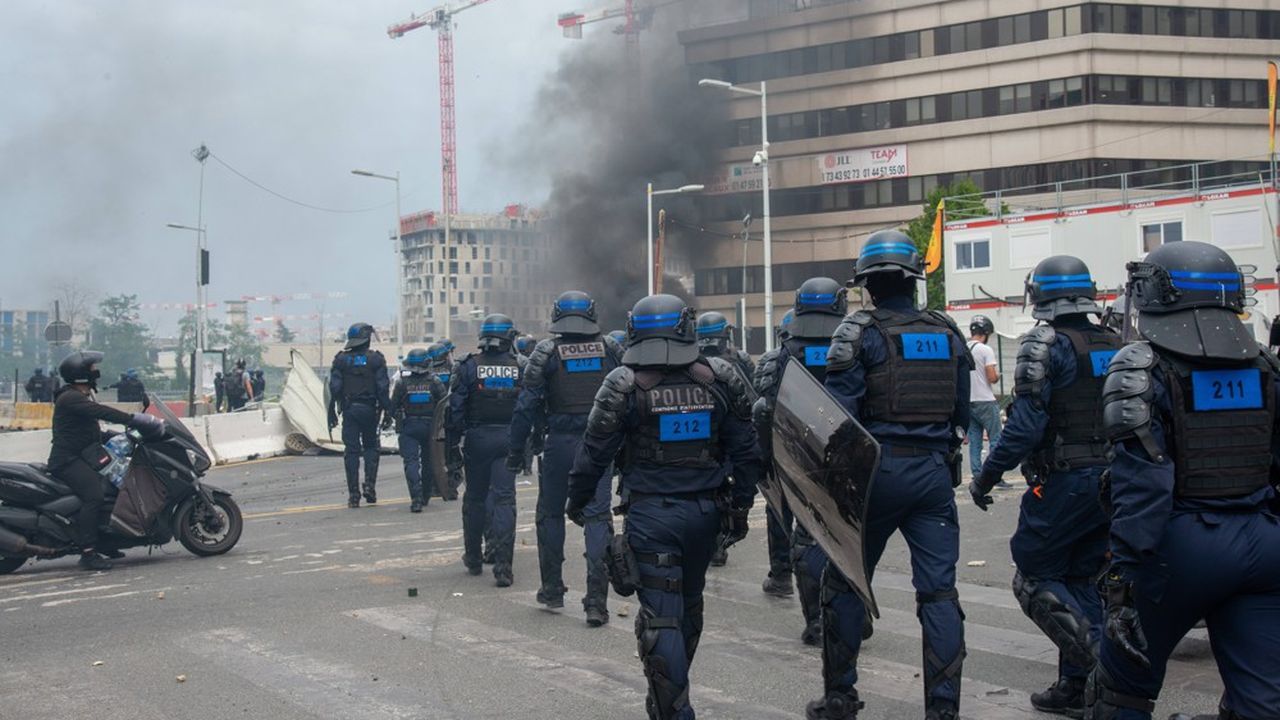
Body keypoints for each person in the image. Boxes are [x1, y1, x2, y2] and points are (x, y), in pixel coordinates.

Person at [1086, 241, 1280, 720]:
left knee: (1119, 690)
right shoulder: (1266, 368)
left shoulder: (1140, 367)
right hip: (1266, 545)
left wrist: (1122, 581)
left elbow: (1143, 487)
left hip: (1180, 548)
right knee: (1262, 702)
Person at [567, 294, 761, 720]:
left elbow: (593, 454)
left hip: (652, 517)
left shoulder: (623, 383)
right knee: (688, 605)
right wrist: (741, 509)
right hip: (706, 515)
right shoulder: (721, 378)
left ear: (636, 331)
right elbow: (749, 452)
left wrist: (577, 502)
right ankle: (669, 698)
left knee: (660, 619)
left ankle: (675, 709)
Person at [815, 230, 970, 720]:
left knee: (846, 582)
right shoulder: (947, 331)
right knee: (940, 594)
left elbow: (838, 420)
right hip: (932, 475)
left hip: (876, 474)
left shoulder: (857, 333)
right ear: (913, 280)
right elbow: (961, 411)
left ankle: (840, 697)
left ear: (868, 284)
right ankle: (943, 710)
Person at [969, 256, 1120, 716]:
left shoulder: (1044, 344)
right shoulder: (1114, 342)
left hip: (1066, 480)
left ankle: (1107, 678)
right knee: (1081, 579)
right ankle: (1075, 688)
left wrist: (987, 475)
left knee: (1033, 578)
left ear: (1039, 295)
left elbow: (1025, 428)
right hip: (1113, 481)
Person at [508, 291, 623, 625]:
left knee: (550, 514)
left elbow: (526, 407)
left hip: (559, 444)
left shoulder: (546, 352)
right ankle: (596, 603)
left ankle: (552, 588)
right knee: (598, 517)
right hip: (599, 445)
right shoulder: (611, 349)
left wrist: (517, 451)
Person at [753, 277, 846, 643]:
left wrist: (765, 461)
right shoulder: (857, 347)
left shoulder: (779, 357)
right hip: (847, 457)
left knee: (805, 538)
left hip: (798, 456)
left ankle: (817, 622)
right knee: (848, 539)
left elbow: (764, 410)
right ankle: (855, 615)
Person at [48, 350, 162, 570]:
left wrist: (117, 435)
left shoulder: (77, 396)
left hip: (81, 454)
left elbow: (87, 431)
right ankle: (88, 553)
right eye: (91, 369)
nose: (95, 372)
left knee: (113, 486)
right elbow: (101, 412)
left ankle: (106, 541)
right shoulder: (70, 398)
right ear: (81, 374)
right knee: (94, 496)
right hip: (67, 461)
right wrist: (135, 419)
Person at [447, 314, 524, 587]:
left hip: (478, 439)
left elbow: (454, 410)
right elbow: (530, 408)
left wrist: (452, 445)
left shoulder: (469, 366)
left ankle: (474, 558)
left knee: (475, 499)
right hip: (508, 439)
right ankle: (503, 568)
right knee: (505, 500)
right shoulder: (519, 366)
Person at [695, 310, 755, 568]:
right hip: (733, 434)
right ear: (725, 334)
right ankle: (720, 541)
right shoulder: (738, 360)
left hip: (707, 435)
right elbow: (753, 396)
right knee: (729, 489)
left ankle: (711, 541)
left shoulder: (691, 362)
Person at [327, 323, 393, 508]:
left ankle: (353, 495)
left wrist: (338, 404)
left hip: (350, 410)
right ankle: (370, 487)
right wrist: (387, 410)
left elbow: (335, 388)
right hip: (370, 410)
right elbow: (382, 388)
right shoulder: (376, 360)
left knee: (352, 452)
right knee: (371, 447)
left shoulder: (341, 360)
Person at [390, 348, 448, 513]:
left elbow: (392, 407)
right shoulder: (435, 381)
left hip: (409, 426)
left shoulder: (402, 383)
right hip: (431, 428)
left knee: (411, 462)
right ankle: (425, 495)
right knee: (429, 461)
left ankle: (415, 499)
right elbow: (444, 405)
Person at [966, 316, 1006, 486]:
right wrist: (997, 376)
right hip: (986, 401)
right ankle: (994, 476)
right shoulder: (985, 349)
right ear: (986, 333)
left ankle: (977, 475)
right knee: (995, 439)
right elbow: (991, 376)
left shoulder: (964, 348)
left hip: (969, 401)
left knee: (974, 440)